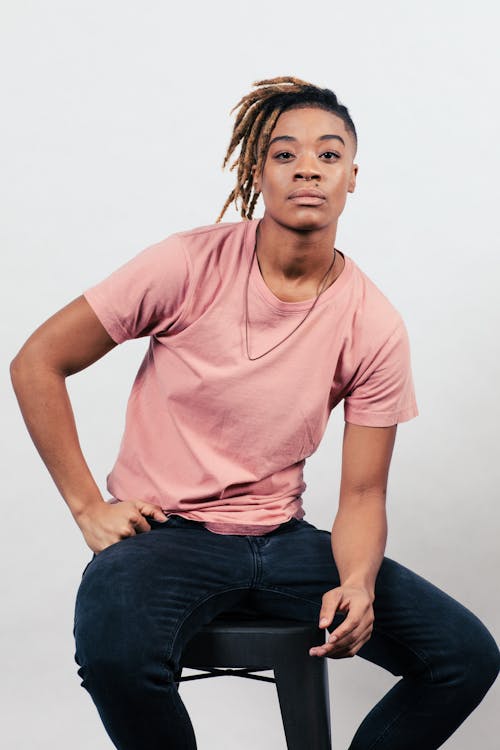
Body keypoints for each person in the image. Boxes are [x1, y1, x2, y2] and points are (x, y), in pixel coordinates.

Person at [10, 76, 499, 750]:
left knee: (464, 656)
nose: (308, 168)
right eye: (284, 153)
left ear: (352, 177)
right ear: (258, 171)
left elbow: (361, 492)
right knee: (117, 658)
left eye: (328, 155)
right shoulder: (186, 264)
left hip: (284, 540)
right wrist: (87, 505)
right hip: (165, 535)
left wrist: (355, 581)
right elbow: (37, 361)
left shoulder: (373, 322)